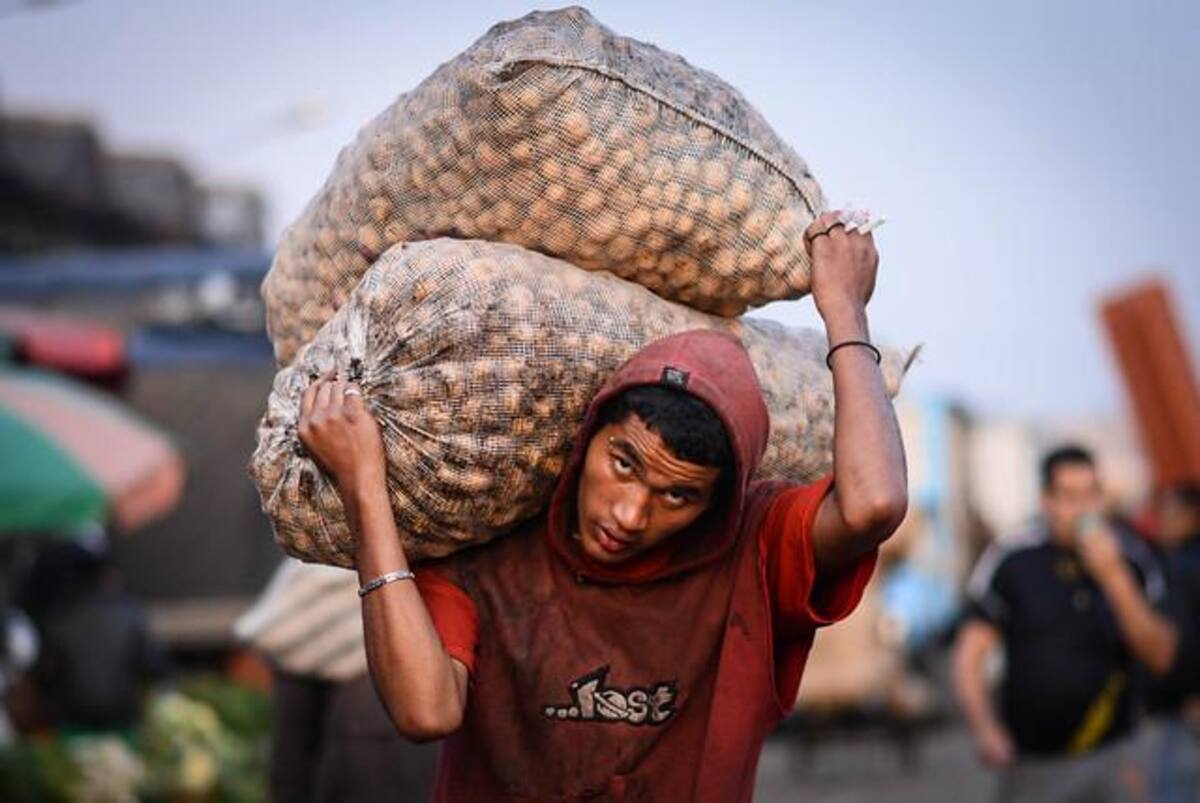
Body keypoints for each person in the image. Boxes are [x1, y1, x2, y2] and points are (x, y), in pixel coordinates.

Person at [297, 208, 908, 802]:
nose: (629, 515)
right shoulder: (492, 542)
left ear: (719, 500)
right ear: (586, 437)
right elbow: (425, 709)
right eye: (623, 464)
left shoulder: (753, 545)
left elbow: (874, 504)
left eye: (678, 495)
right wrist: (365, 489)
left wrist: (845, 310)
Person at [954, 445, 1178, 803]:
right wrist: (985, 729)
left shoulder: (1132, 559)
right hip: (1035, 766)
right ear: (1047, 501)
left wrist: (1113, 577)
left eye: (1091, 494)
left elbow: (1160, 656)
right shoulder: (1013, 559)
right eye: (1069, 496)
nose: (1083, 508)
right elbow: (969, 657)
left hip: (1115, 756)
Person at [1143, 482, 1200, 803]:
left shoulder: (1180, 567)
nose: (1161, 521)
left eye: (1168, 513)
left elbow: (1184, 638)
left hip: (1184, 708)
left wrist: (1191, 692)